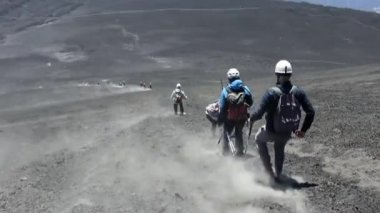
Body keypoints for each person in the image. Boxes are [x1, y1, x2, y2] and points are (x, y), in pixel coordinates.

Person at [250, 60, 315, 183]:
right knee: (279, 148)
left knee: (258, 138)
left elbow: (258, 113)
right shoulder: (298, 92)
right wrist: (303, 130)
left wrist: (251, 119)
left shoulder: (271, 92)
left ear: (277, 74)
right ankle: (278, 175)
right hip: (287, 131)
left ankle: (269, 172)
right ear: (290, 75)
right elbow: (311, 112)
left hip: (271, 131)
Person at [218, 68, 253, 156]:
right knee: (239, 133)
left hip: (230, 118)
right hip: (242, 117)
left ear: (229, 79)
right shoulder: (245, 89)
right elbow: (250, 102)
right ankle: (240, 152)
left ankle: (225, 153)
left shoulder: (225, 91)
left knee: (226, 134)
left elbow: (222, 108)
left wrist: (220, 120)